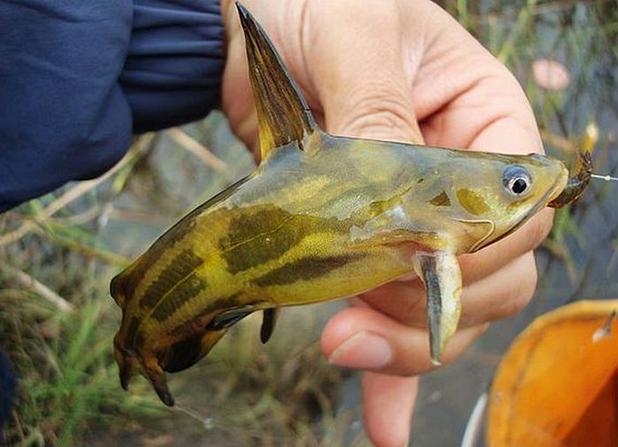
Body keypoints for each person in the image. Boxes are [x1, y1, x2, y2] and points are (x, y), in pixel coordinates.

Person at [0, 1, 554, 445]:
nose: (535, 184)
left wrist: (224, 25)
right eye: (517, 185)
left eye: (517, 184)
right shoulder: (428, 236)